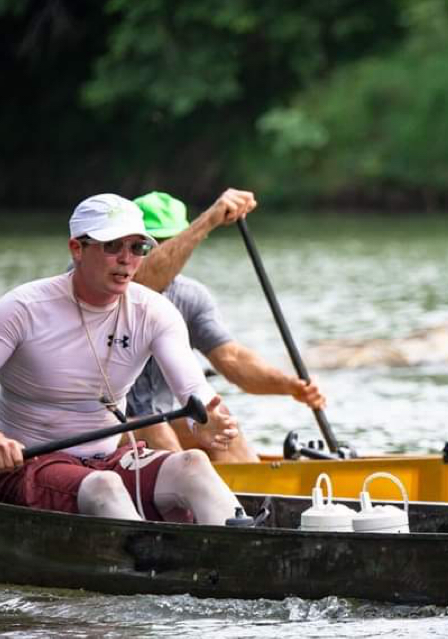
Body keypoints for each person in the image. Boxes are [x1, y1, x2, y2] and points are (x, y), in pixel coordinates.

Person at [0, 194, 249, 524]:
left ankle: (240, 559)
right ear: (77, 249)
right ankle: (150, 567)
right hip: (27, 466)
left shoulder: (155, 313)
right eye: (112, 246)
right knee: (105, 486)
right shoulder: (23, 309)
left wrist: (204, 422)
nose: (126, 259)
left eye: (137, 248)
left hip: (109, 460)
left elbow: (194, 391)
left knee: (193, 464)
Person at [125, 190, 325, 462]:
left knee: (221, 425)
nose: (163, 251)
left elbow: (233, 359)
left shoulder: (189, 296)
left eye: (169, 240)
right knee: (153, 427)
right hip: (98, 433)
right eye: (151, 243)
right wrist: (208, 220)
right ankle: (186, 488)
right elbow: (143, 281)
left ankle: (258, 498)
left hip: (158, 426)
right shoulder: (104, 283)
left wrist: (290, 386)